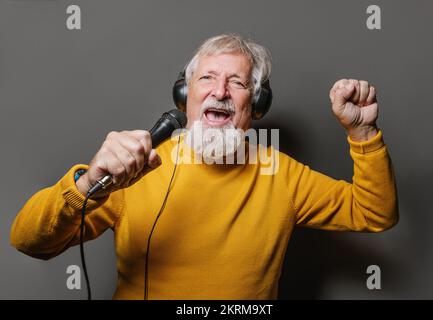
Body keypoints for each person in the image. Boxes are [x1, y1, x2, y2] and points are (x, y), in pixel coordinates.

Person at [10, 34, 398, 299]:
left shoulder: (279, 171)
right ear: (185, 95)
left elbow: (375, 212)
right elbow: (29, 242)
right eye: (207, 78)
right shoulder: (135, 167)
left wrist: (364, 132)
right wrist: (89, 182)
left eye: (238, 83)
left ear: (256, 105)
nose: (220, 91)